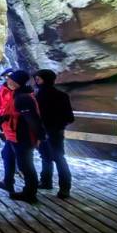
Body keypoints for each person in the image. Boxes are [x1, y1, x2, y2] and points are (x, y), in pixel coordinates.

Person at [0, 70, 43, 203]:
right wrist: (4, 118)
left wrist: (40, 136)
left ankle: (30, 193)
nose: (8, 81)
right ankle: (8, 182)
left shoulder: (23, 98)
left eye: (11, 79)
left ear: (17, 83)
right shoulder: (18, 94)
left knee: (25, 165)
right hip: (13, 135)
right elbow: (13, 112)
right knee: (7, 154)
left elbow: (33, 119)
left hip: (22, 136)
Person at [34, 69, 74, 199]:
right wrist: (59, 126)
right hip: (55, 132)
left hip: (47, 132)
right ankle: (61, 187)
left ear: (44, 79)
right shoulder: (62, 95)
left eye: (38, 79)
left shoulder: (38, 96)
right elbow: (69, 117)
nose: (36, 81)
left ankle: (50, 183)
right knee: (55, 158)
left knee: (52, 158)